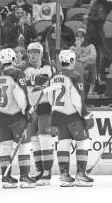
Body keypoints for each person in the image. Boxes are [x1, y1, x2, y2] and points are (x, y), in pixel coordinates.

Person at [46, 50, 94, 187]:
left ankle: (64, 174)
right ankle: (80, 174)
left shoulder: (53, 77)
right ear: (72, 61)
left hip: (57, 115)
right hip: (73, 115)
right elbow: (78, 99)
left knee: (63, 143)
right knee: (83, 142)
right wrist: (85, 114)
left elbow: (50, 98)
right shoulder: (75, 76)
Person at [0, 48, 36, 189]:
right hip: (16, 116)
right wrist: (28, 109)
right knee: (24, 146)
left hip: (1, 116)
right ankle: (24, 177)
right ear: (13, 59)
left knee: (5, 147)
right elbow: (20, 95)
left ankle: (6, 177)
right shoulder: (17, 73)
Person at [19, 42, 55, 186]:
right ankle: (39, 170)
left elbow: (57, 85)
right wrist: (35, 82)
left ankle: (47, 171)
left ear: (40, 53)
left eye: (35, 52)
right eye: (30, 52)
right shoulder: (23, 68)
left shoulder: (50, 67)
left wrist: (49, 84)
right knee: (34, 140)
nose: (32, 55)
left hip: (46, 106)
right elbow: (20, 86)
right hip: (31, 108)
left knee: (45, 138)